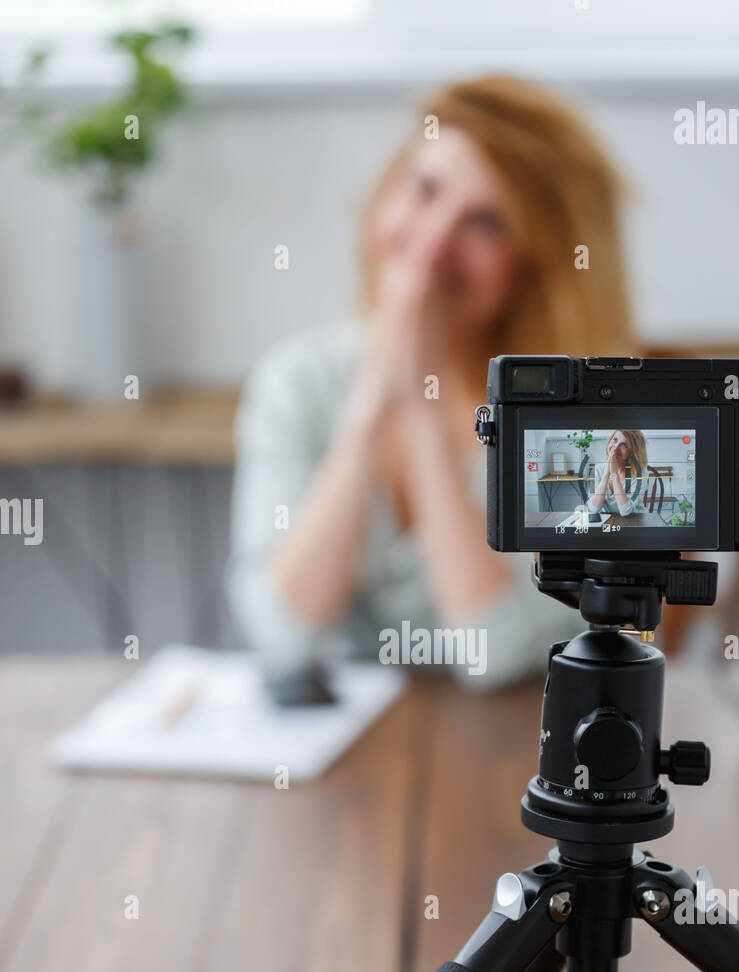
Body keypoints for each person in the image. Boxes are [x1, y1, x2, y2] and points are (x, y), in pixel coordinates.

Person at [226, 75, 633, 691]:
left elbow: (498, 655)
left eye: (488, 223)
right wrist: (369, 409)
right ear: (385, 194)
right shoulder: (298, 383)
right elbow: (282, 638)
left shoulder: (573, 422)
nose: (434, 244)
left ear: (534, 267)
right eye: (424, 189)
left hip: (512, 757)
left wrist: (421, 411)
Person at [587, 429, 649, 520]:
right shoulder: (597, 470)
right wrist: (606, 474)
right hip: (609, 523)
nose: (615, 448)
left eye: (624, 445)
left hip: (634, 522)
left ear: (633, 453)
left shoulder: (639, 473)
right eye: (615, 440)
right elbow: (593, 509)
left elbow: (626, 511)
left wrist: (614, 474)